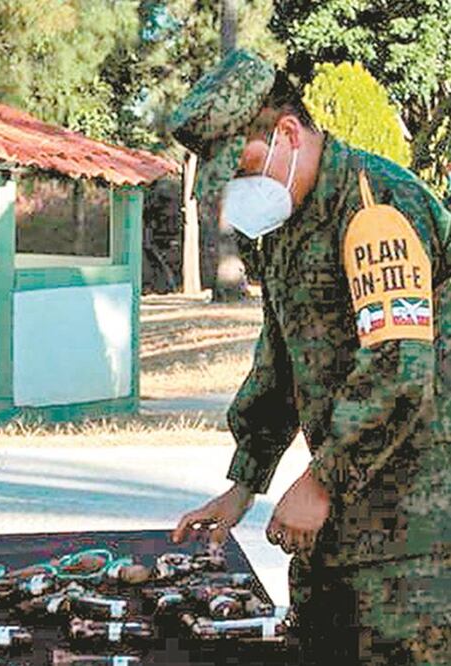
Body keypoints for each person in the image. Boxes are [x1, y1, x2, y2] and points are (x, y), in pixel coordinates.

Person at [167, 50, 450, 665]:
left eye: (239, 167)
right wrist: (245, 483)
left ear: (287, 134)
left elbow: (399, 369)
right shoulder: (290, 226)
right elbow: (282, 358)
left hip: (418, 537)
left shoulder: (377, 209)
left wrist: (320, 481)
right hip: (343, 523)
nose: (235, 192)